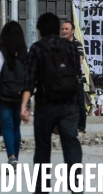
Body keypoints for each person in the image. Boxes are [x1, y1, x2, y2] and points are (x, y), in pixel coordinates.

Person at [21, 12, 82, 193]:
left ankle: (42, 188)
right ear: (58, 30)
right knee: (70, 142)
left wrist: (24, 106)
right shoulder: (70, 47)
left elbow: (29, 80)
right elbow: (76, 72)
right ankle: (75, 185)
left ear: (39, 31)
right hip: (70, 103)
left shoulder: (37, 48)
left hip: (46, 104)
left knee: (42, 147)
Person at [0, 21, 28, 170]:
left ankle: (11, 157)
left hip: (3, 94)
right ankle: (16, 157)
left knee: (6, 126)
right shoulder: (25, 50)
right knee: (16, 128)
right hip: (20, 94)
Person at [61, 21, 87, 133]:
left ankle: (81, 127)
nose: (64, 31)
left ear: (73, 31)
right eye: (62, 29)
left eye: (66, 29)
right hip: (62, 79)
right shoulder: (59, 44)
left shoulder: (77, 44)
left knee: (80, 103)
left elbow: (80, 60)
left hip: (75, 78)